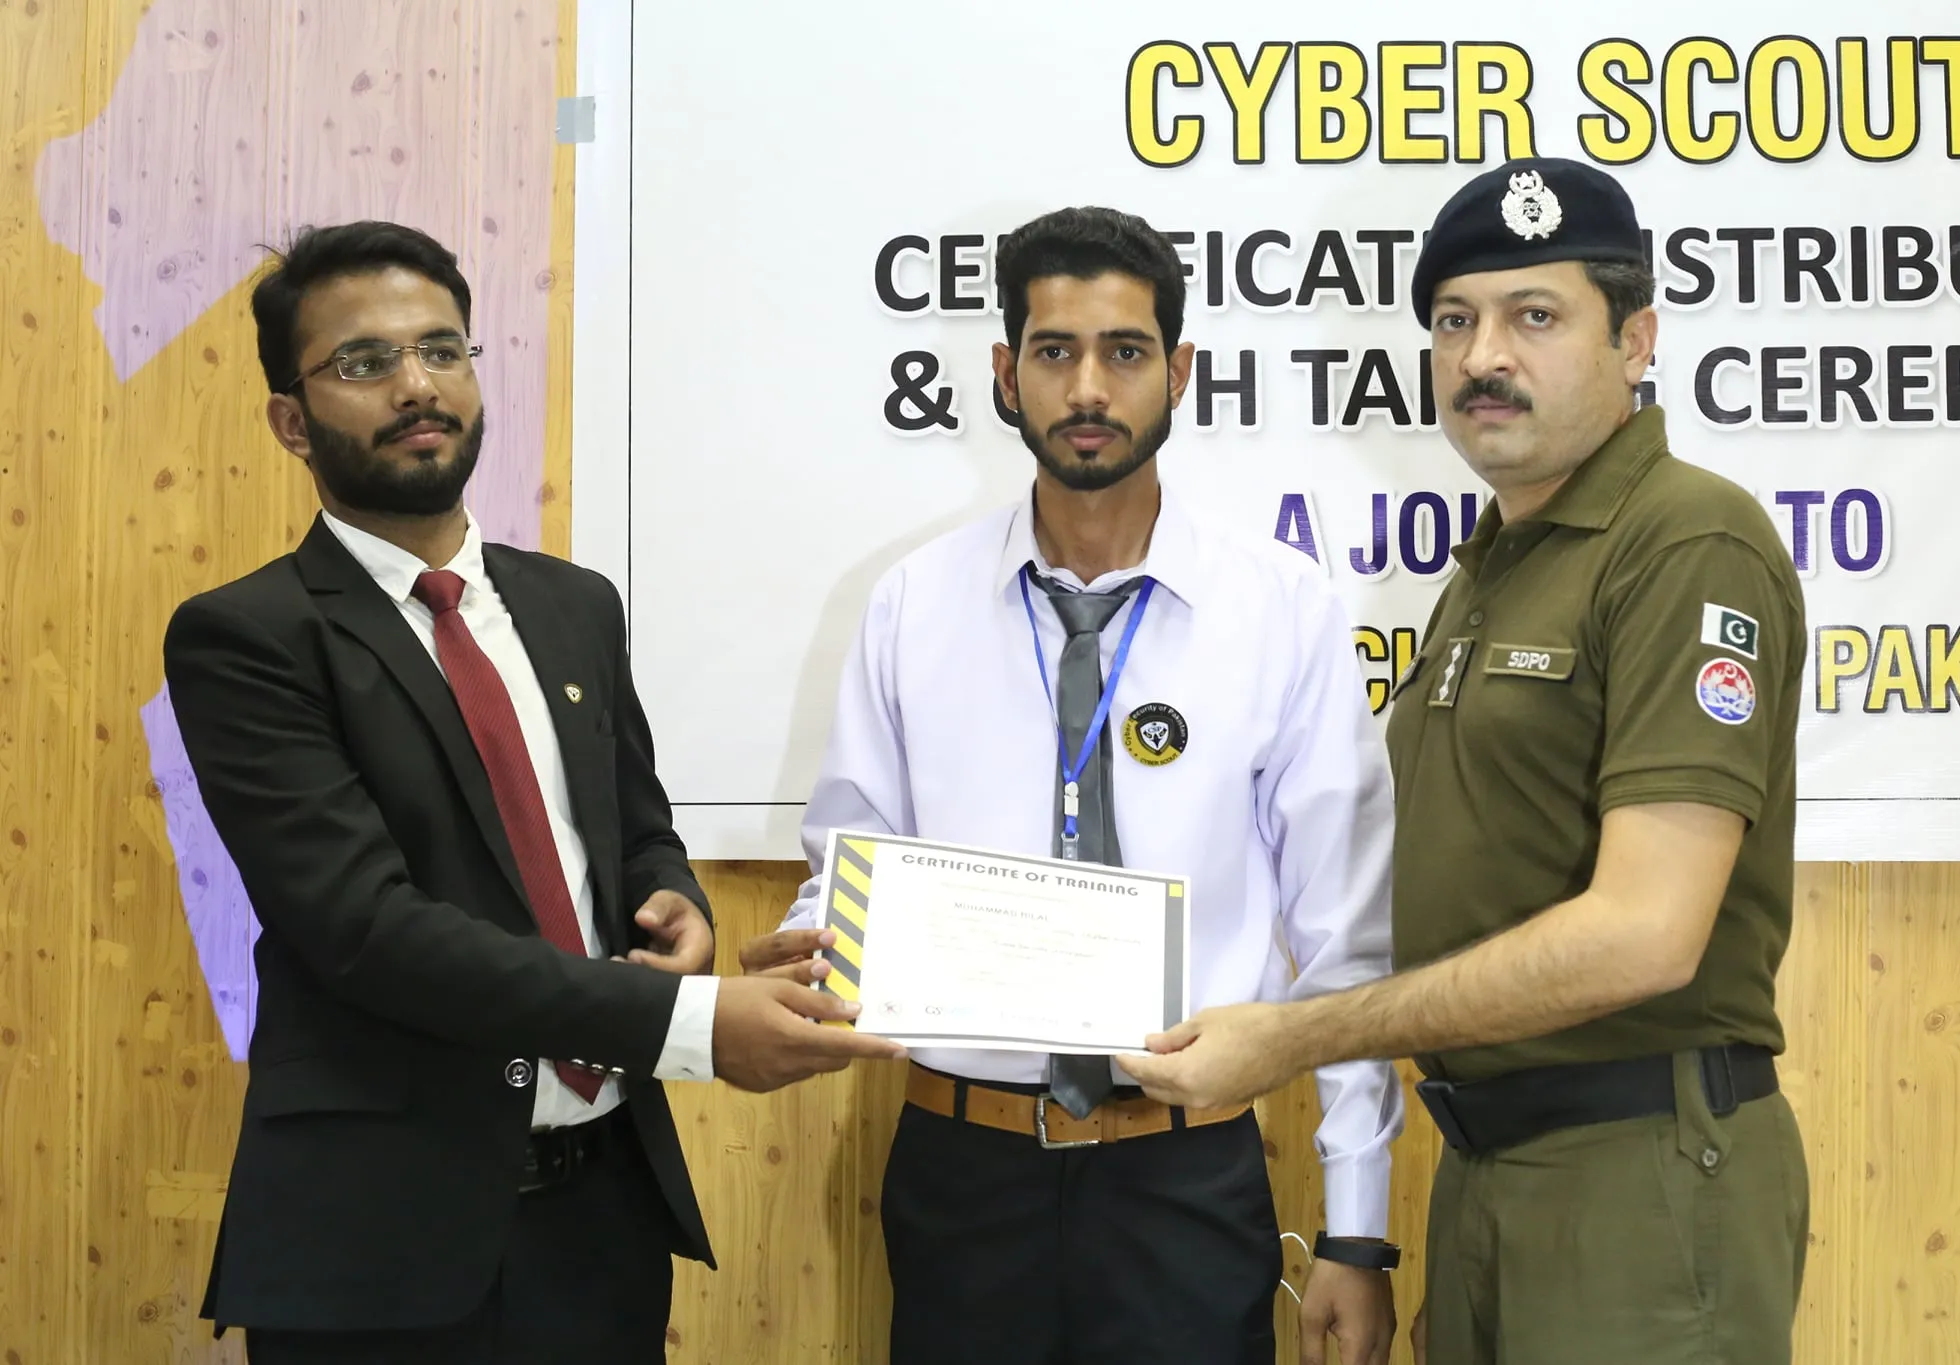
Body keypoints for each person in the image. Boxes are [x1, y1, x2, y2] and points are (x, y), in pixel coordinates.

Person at [163, 221, 903, 1364]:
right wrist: (688, 1027)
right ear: (291, 421)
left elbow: (632, 821)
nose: (417, 385)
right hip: (379, 1246)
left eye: (441, 349)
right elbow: (364, 931)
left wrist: (672, 898)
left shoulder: (572, 605)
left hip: (599, 1220)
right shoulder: (248, 638)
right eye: (364, 361)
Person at [1120, 159, 1810, 1365]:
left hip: (1633, 1177)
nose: (1481, 356)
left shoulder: (1685, 540)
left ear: (1635, 341)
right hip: (1491, 1168)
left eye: (1532, 316)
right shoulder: (1495, 564)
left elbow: (1644, 934)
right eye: (1452, 321)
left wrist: (1291, 1038)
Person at [741, 206, 1403, 1365]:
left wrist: (1354, 1231)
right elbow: (850, 864)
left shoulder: (1280, 609)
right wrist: (814, 953)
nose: (1087, 387)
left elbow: (1343, 943)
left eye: (1123, 351)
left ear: (1179, 371)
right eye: (1054, 352)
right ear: (1005, 375)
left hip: (1183, 1175)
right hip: (962, 1175)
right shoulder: (912, 604)